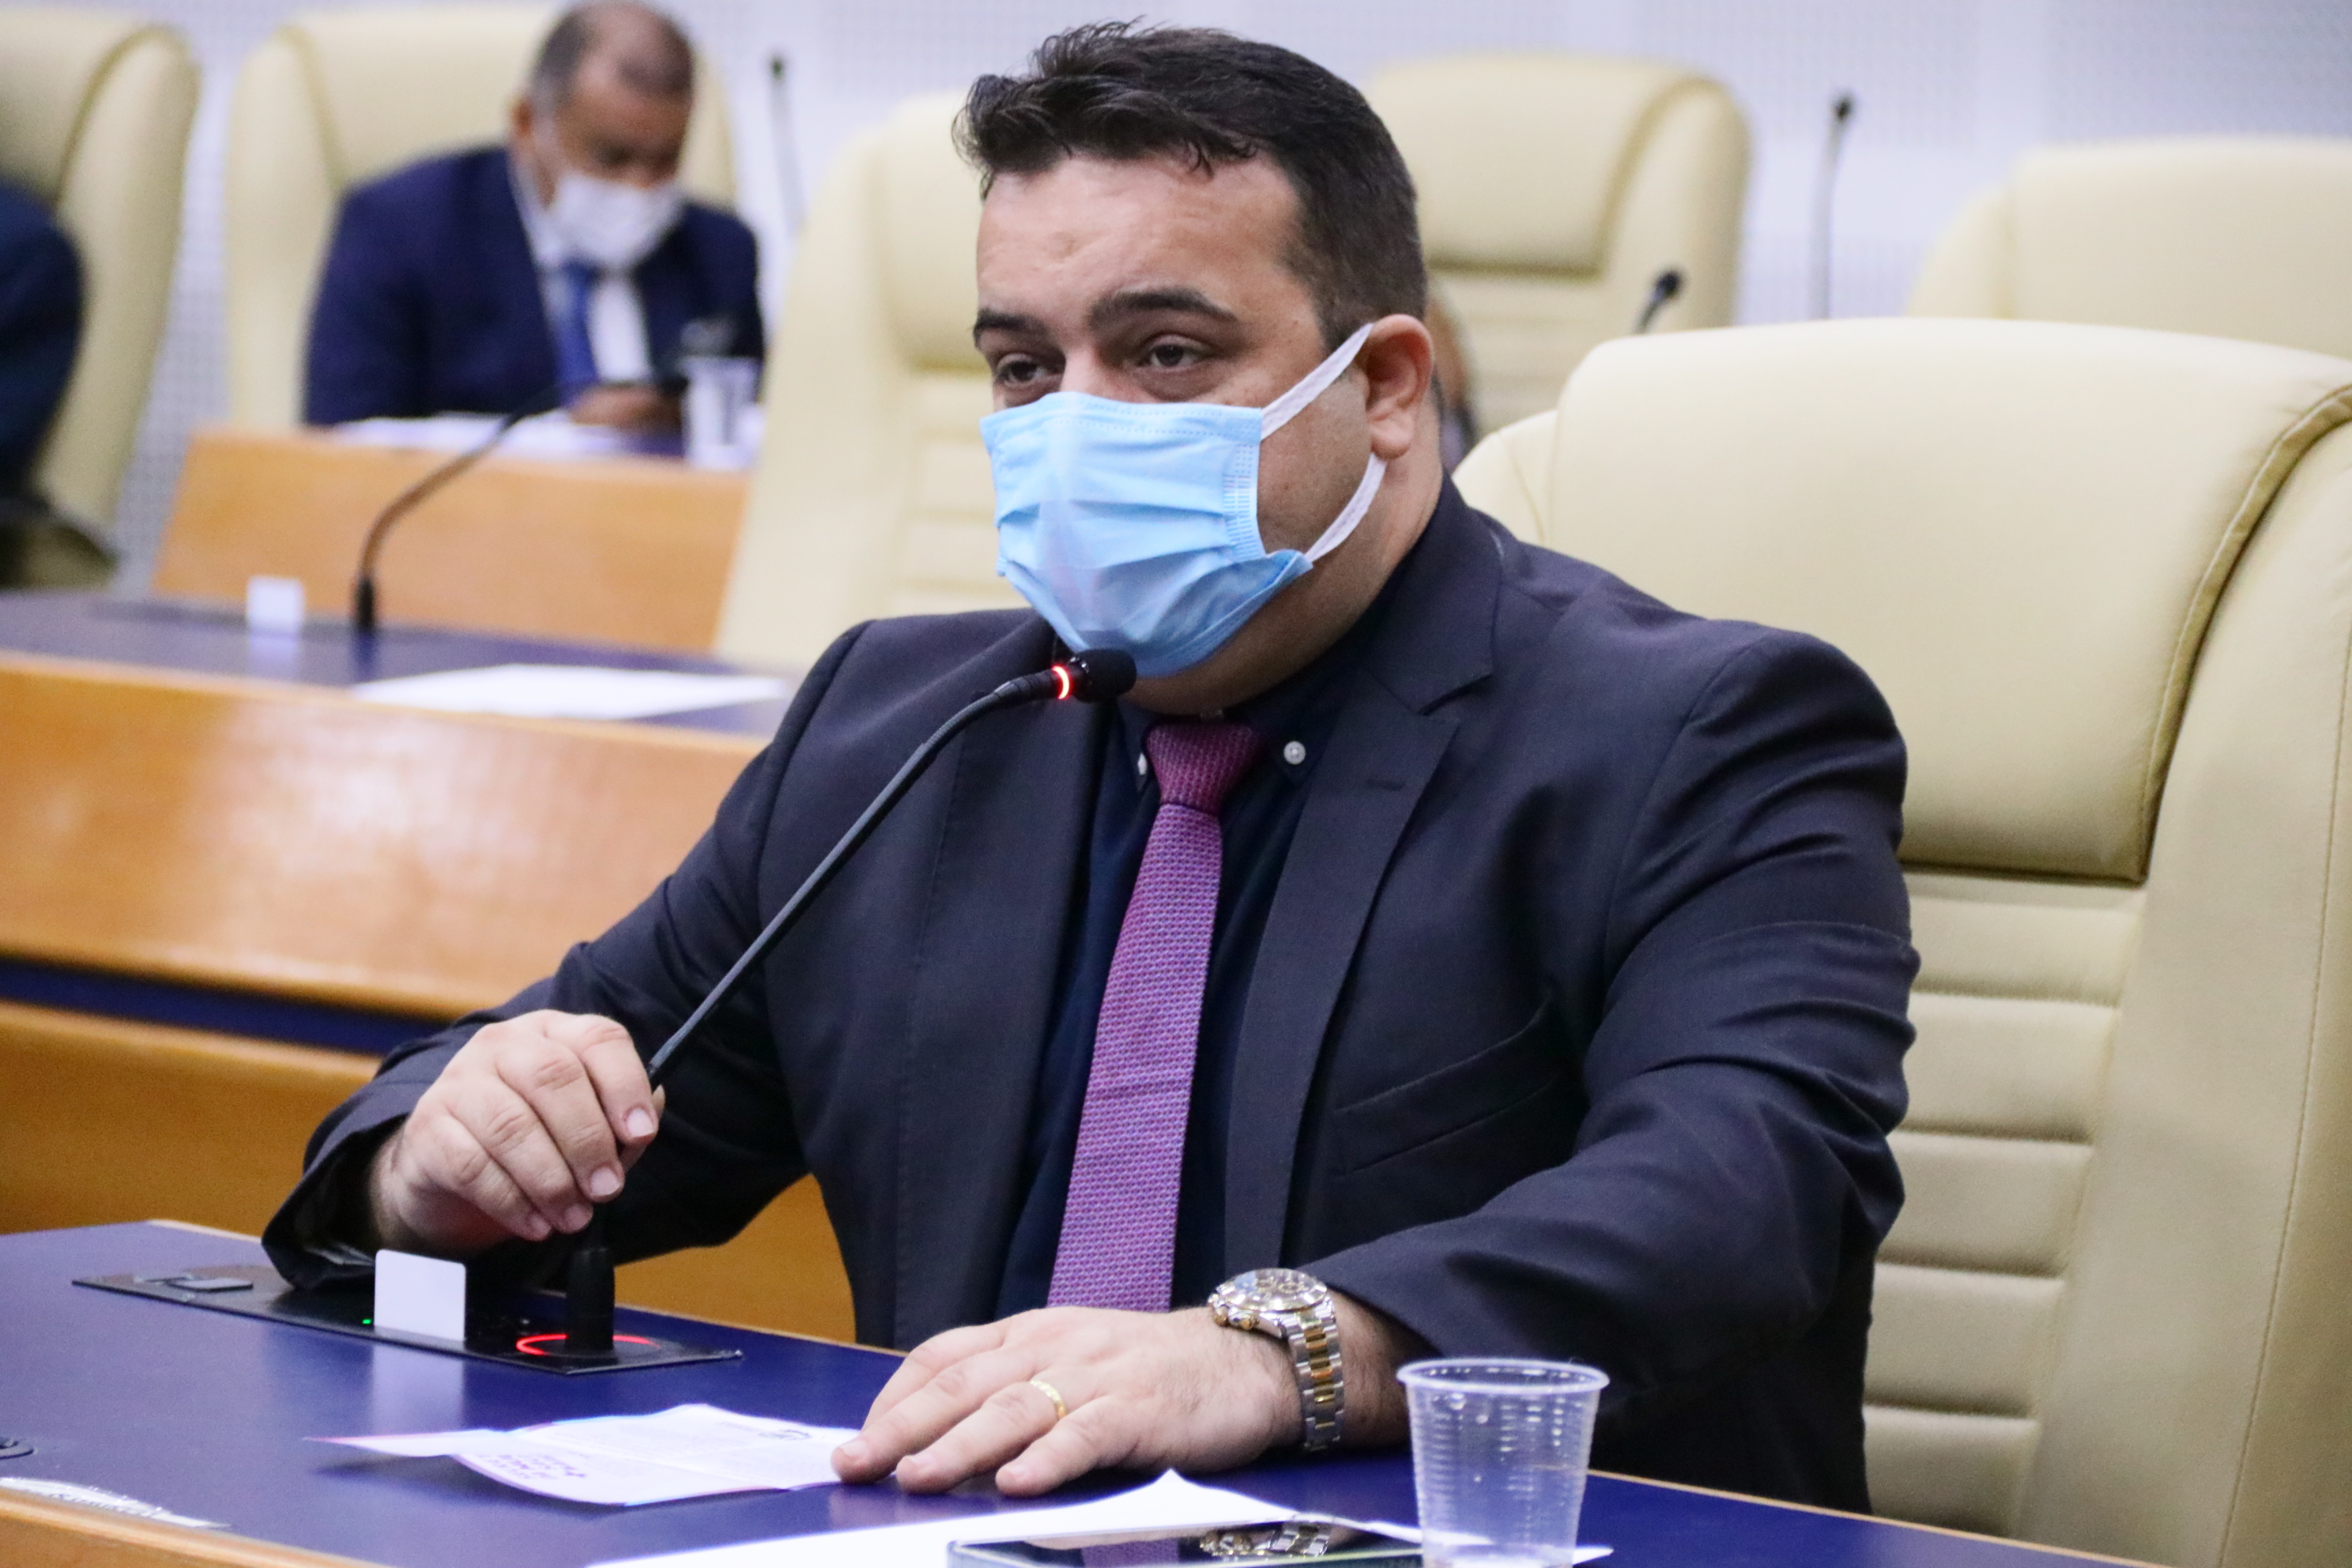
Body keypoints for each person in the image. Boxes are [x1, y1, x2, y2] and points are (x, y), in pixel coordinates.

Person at [268, 23, 1913, 1513]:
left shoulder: (1696, 731)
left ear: (1387, 387)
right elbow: (573, 1100)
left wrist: (1278, 1352)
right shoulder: (899, 723)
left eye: (1167, 353)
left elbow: (1745, 1185)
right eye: (1023, 366)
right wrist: (438, 1166)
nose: (1077, 424)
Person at [302, 1, 760, 433]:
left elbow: (751, 433)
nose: (638, 187)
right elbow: (341, 450)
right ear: (526, 124)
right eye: (611, 157)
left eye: (664, 160)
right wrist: (567, 431)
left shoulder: (722, 253)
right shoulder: (400, 230)